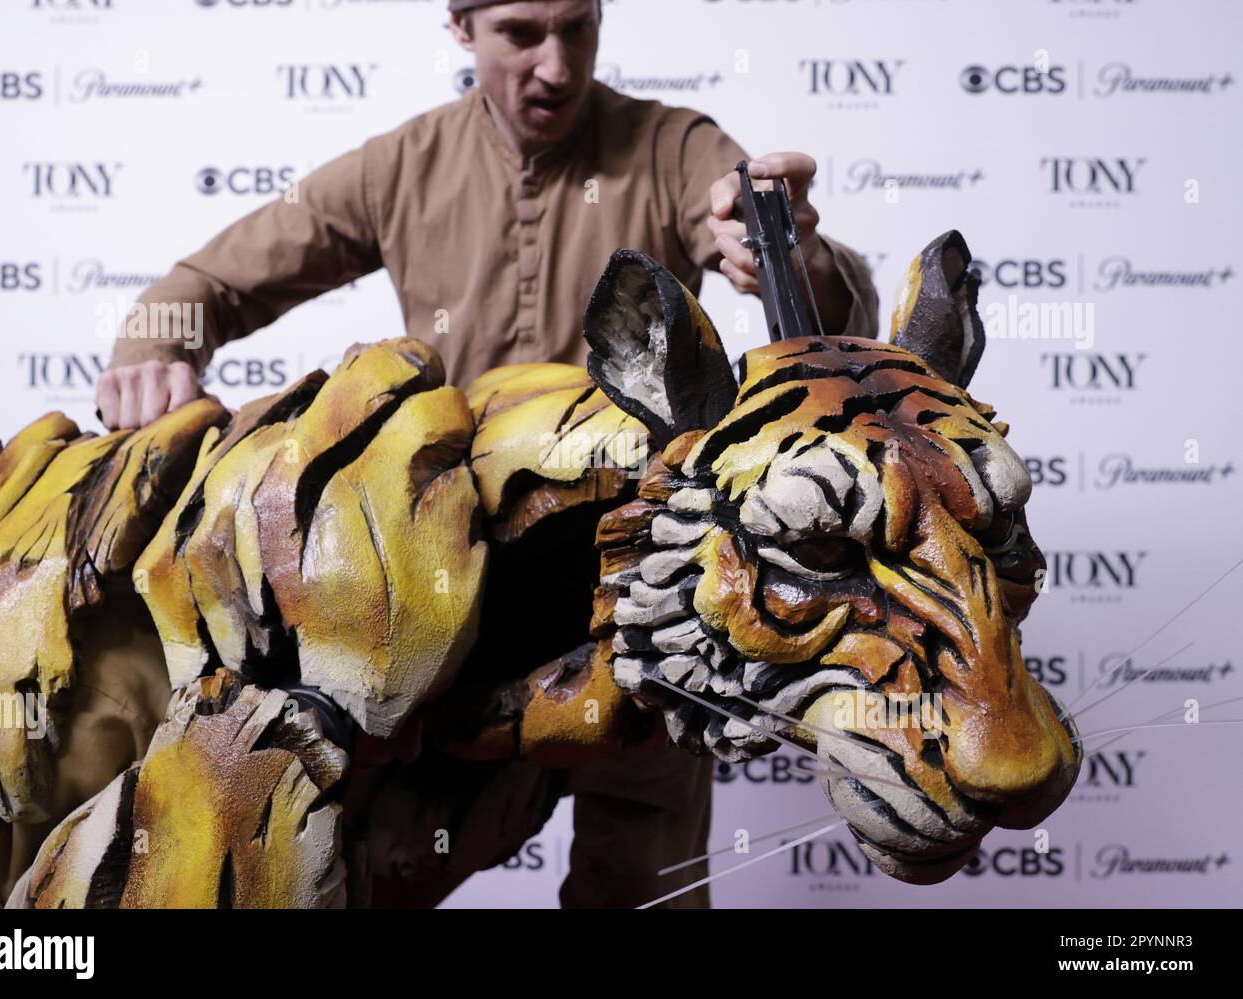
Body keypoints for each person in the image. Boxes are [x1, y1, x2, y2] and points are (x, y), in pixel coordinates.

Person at [94, 0, 880, 908]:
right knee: (374, 864)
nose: (557, 65)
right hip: (451, 602)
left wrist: (789, 252)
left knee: (645, 889)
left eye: (577, 27)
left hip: (642, 600)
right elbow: (208, 285)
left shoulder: (673, 146)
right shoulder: (403, 164)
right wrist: (150, 351)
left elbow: (797, 282)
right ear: (461, 28)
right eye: (520, 33)